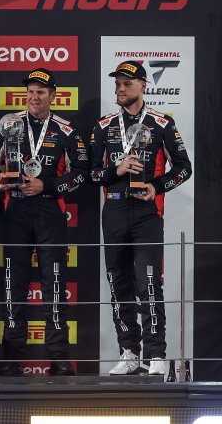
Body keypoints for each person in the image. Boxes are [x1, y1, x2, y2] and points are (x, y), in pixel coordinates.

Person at [0, 68, 88, 376]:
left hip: (49, 210)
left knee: (54, 283)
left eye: (40, 92)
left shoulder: (67, 130)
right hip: (15, 209)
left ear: (53, 96)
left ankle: (59, 357)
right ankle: (11, 357)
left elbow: (82, 173)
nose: (34, 96)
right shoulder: (8, 124)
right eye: (30, 91)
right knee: (13, 283)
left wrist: (48, 185)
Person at [90, 60, 192, 376]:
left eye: (127, 84)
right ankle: (130, 351)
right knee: (118, 284)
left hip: (147, 214)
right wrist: (116, 170)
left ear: (143, 86)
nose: (120, 89)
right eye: (117, 84)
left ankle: (156, 353)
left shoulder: (162, 124)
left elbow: (184, 167)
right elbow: (91, 174)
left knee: (148, 282)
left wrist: (156, 186)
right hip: (114, 212)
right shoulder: (103, 126)